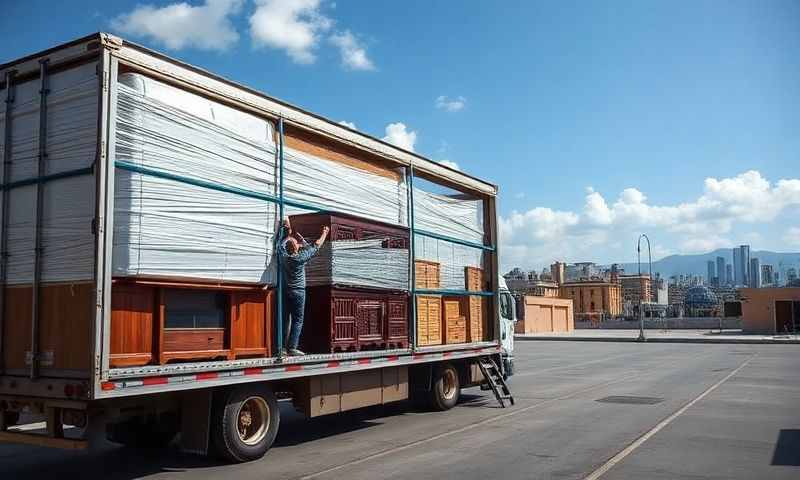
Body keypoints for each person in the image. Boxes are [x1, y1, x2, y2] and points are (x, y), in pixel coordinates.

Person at [276, 218, 329, 355]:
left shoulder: (283, 256)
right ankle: (292, 347)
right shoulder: (300, 258)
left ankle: (281, 348)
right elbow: (316, 246)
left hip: (286, 290)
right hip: (298, 291)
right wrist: (324, 233)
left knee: (284, 318)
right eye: (297, 243)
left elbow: (280, 244)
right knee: (297, 320)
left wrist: (286, 232)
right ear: (297, 249)